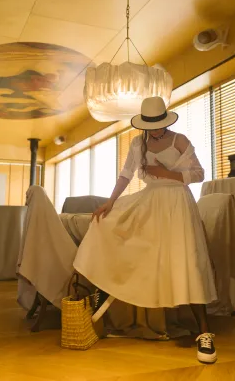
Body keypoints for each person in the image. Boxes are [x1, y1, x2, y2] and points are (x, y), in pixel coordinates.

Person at [74, 96, 218, 364]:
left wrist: (165, 172)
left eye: (159, 124)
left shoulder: (180, 141)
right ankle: (107, 293)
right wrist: (110, 201)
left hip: (178, 203)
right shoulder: (138, 143)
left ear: (166, 120)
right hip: (150, 201)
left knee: (187, 261)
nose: (155, 129)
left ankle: (205, 333)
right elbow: (126, 174)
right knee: (110, 227)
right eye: (150, 125)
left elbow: (199, 174)